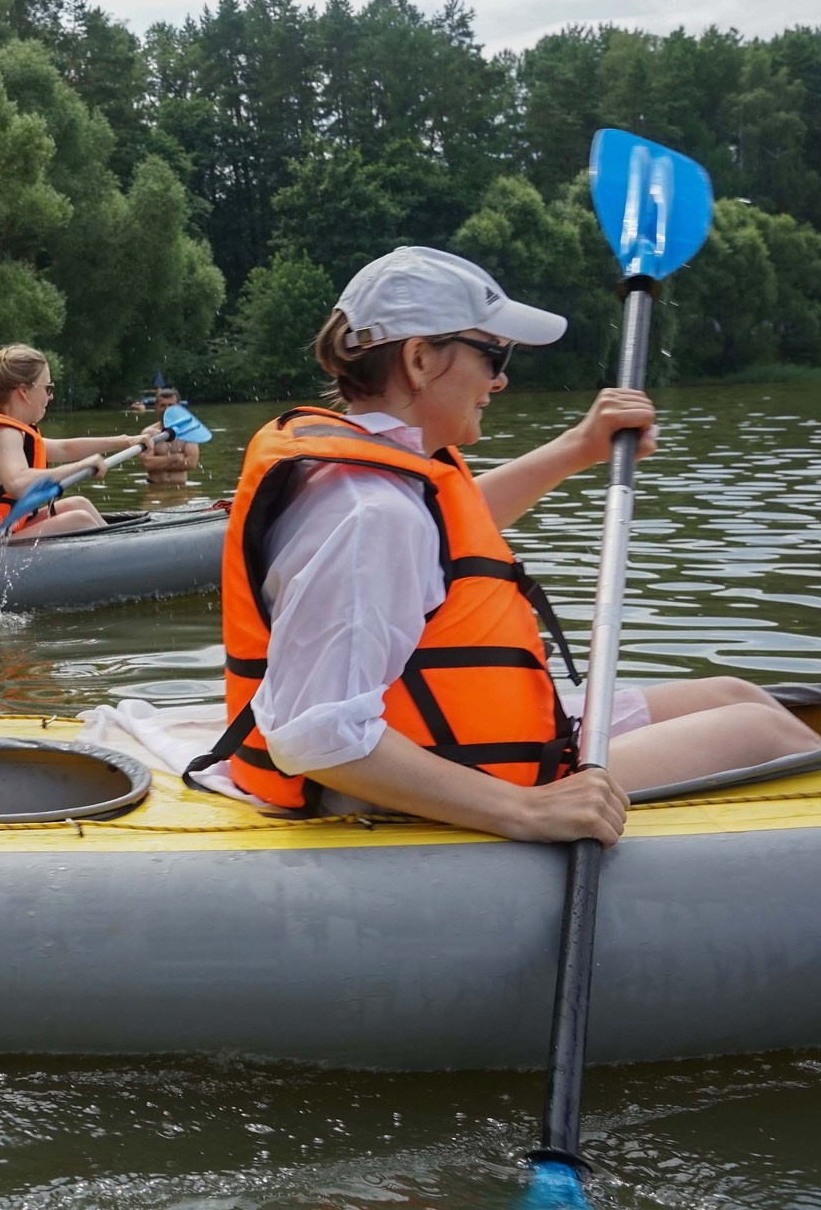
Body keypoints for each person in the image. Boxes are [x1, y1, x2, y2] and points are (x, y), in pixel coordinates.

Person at [193, 246, 818, 844]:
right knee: (762, 729)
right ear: (418, 360)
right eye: (493, 355)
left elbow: (447, 542)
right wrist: (524, 810)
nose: (501, 380)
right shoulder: (368, 512)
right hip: (404, 785)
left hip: (447, 742)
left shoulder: (380, 481)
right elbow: (315, 734)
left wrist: (579, 448)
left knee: (733, 695)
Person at [0, 344, 156, 543]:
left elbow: (65, 448)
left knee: (79, 504)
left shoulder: (10, 428)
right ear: (23, 392)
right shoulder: (4, 433)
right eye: (48, 388)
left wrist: (127, 441)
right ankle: (118, 570)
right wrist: (80, 466)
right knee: (80, 520)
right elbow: (17, 482)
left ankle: (119, 557)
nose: (51, 396)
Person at [137, 384, 201, 487]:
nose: (167, 409)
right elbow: (147, 464)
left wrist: (158, 462)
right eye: (163, 405)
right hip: (154, 488)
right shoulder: (148, 433)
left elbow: (192, 463)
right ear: (156, 407)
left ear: (178, 407)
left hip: (181, 488)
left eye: (171, 405)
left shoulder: (188, 432)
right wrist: (175, 458)